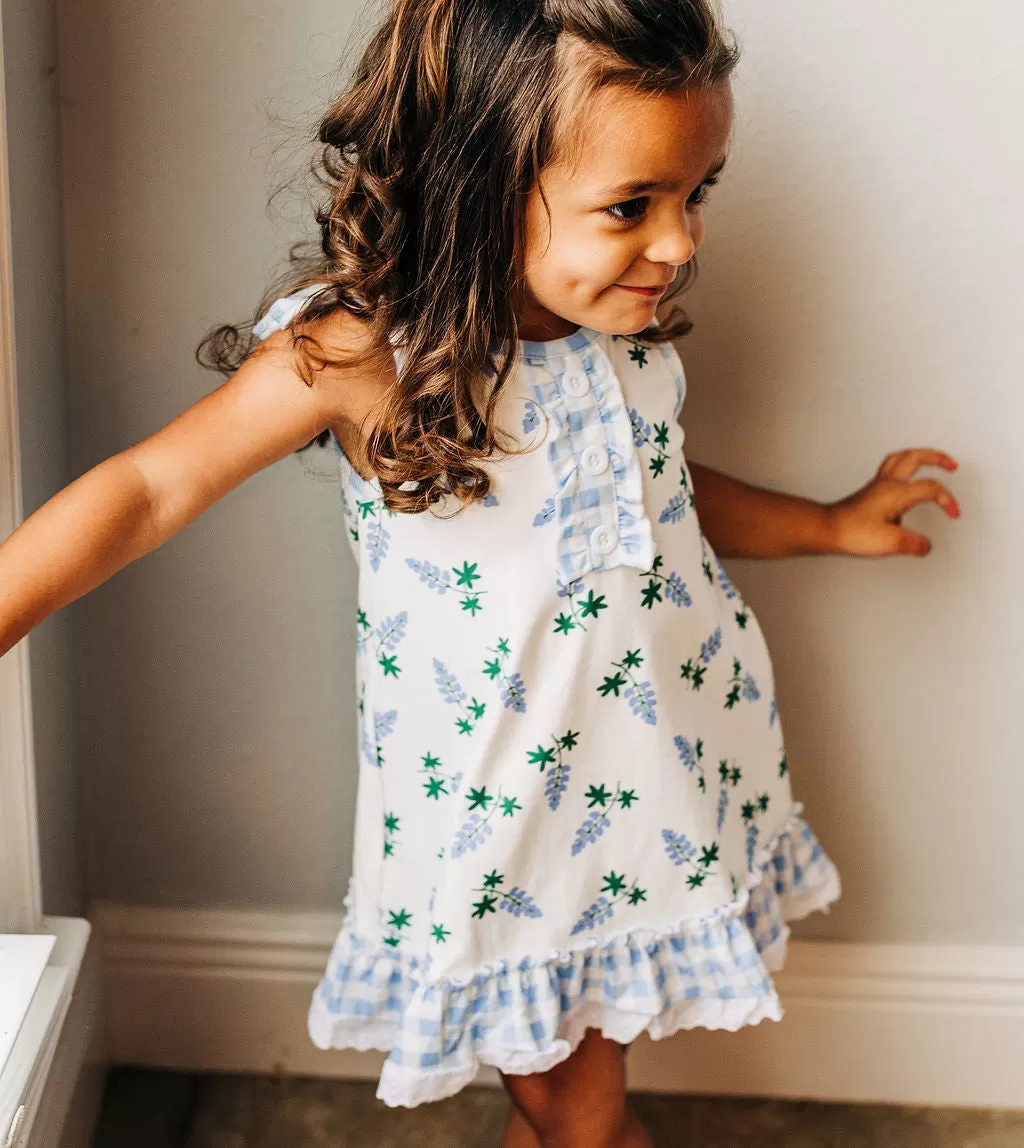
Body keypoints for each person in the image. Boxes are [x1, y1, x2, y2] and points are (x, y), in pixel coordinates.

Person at [0, 1, 961, 1144]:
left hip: (655, 775)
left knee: (575, 1076)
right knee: (580, 1110)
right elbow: (151, 487)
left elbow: (656, 497)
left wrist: (828, 522)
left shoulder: (615, 324)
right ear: (480, 181)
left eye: (694, 193)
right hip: (504, 822)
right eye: (632, 206)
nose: (681, 241)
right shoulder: (362, 351)